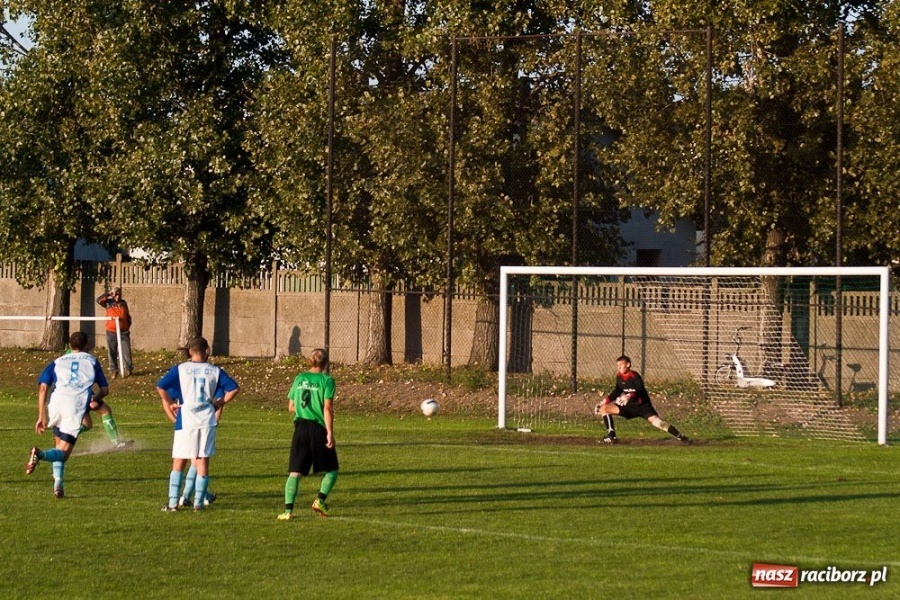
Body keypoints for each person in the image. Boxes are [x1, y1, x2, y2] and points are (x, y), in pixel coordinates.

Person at [156, 337, 238, 511]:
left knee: (179, 460)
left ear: (190, 351)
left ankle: (172, 503)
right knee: (202, 460)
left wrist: (170, 402)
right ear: (207, 350)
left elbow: (160, 386)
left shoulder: (181, 369)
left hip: (186, 418)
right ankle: (198, 503)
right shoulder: (214, 371)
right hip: (206, 419)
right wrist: (219, 403)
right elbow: (234, 388)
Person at [25, 331, 110, 498]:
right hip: (74, 405)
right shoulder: (92, 361)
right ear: (87, 346)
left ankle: (58, 486)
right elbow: (105, 390)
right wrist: (94, 398)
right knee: (63, 454)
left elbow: (43, 388)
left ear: (69, 345)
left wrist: (41, 416)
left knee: (64, 442)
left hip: (56, 402)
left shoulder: (57, 361)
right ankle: (39, 454)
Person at [278, 348, 339, 520]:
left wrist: (305, 408)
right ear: (326, 363)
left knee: (295, 472)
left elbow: (291, 407)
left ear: (309, 361)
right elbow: (327, 408)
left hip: (300, 429)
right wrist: (329, 432)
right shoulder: (327, 381)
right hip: (318, 428)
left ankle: (288, 511)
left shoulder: (299, 378)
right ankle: (320, 500)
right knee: (332, 470)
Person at [594, 355, 691, 444]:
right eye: (617, 365)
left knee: (659, 423)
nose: (618, 367)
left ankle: (681, 437)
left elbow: (639, 389)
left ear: (628, 365)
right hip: (628, 407)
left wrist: (629, 395)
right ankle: (612, 437)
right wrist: (606, 400)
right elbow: (617, 390)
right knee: (603, 408)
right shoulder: (619, 376)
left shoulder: (635, 376)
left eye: (621, 364)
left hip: (642, 406)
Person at [97, 287, 133, 377]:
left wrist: (127, 325)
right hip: (111, 331)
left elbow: (127, 315)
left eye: (119, 294)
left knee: (126, 351)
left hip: (123, 331)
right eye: (116, 294)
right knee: (112, 351)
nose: (117, 296)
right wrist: (108, 294)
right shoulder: (108, 303)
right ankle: (114, 370)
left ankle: (128, 368)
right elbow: (98, 300)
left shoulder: (123, 303)